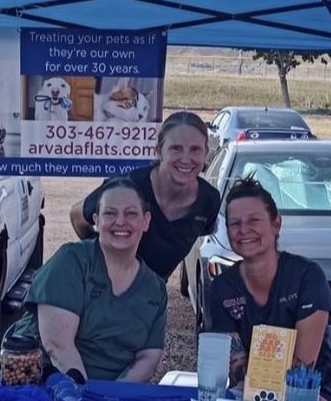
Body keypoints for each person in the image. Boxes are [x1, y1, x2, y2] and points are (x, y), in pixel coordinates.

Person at [208, 175, 331, 401]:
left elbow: (302, 366)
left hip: (313, 392)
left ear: (276, 224)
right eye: (235, 223)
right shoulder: (222, 288)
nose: (243, 230)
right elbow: (235, 368)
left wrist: (259, 377)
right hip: (249, 394)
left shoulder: (308, 276)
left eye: (254, 220)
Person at [10, 178, 167, 382]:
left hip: (113, 394)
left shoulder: (154, 289)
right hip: (49, 383)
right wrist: (87, 398)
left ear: (146, 221)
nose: (120, 221)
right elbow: (58, 347)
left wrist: (115, 395)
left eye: (131, 214)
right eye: (110, 213)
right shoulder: (70, 261)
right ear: (97, 220)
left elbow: (148, 358)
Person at [69, 111, 220, 280]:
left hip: (152, 292)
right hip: (106, 286)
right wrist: (103, 258)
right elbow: (77, 216)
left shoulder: (209, 201)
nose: (186, 158)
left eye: (195, 149)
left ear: (206, 152)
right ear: (159, 151)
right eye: (176, 149)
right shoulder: (129, 186)